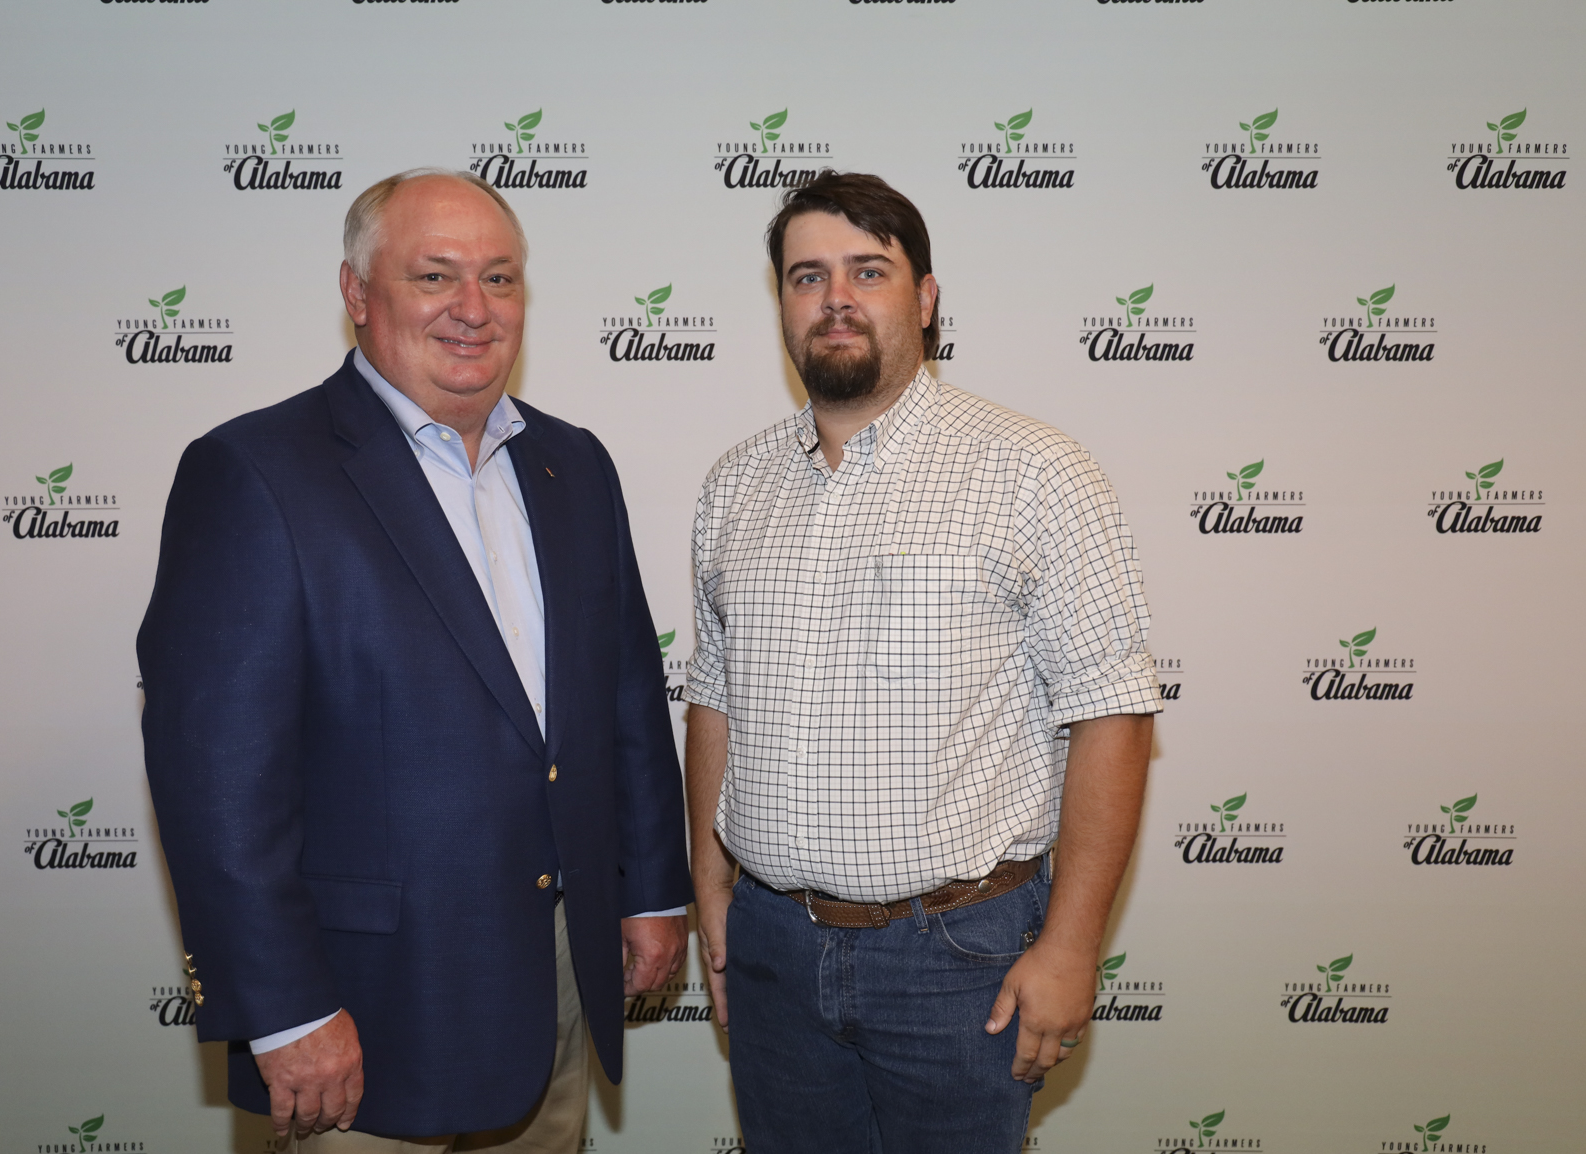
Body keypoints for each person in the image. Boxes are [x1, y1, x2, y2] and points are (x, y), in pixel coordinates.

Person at [138, 168, 692, 1151]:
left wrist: (650, 886)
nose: (473, 309)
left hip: (558, 983)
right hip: (363, 1010)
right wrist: (285, 1010)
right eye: (435, 276)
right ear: (358, 294)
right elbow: (217, 783)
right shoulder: (256, 472)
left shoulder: (574, 465)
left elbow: (624, 698)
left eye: (501, 278)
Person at [683, 171, 1160, 1154]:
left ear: (927, 297)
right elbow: (715, 696)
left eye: (869, 270)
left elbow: (1113, 710)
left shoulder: (1034, 468)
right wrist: (712, 893)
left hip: (958, 954)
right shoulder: (733, 485)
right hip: (771, 940)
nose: (836, 298)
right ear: (781, 301)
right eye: (807, 275)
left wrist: (1071, 946)